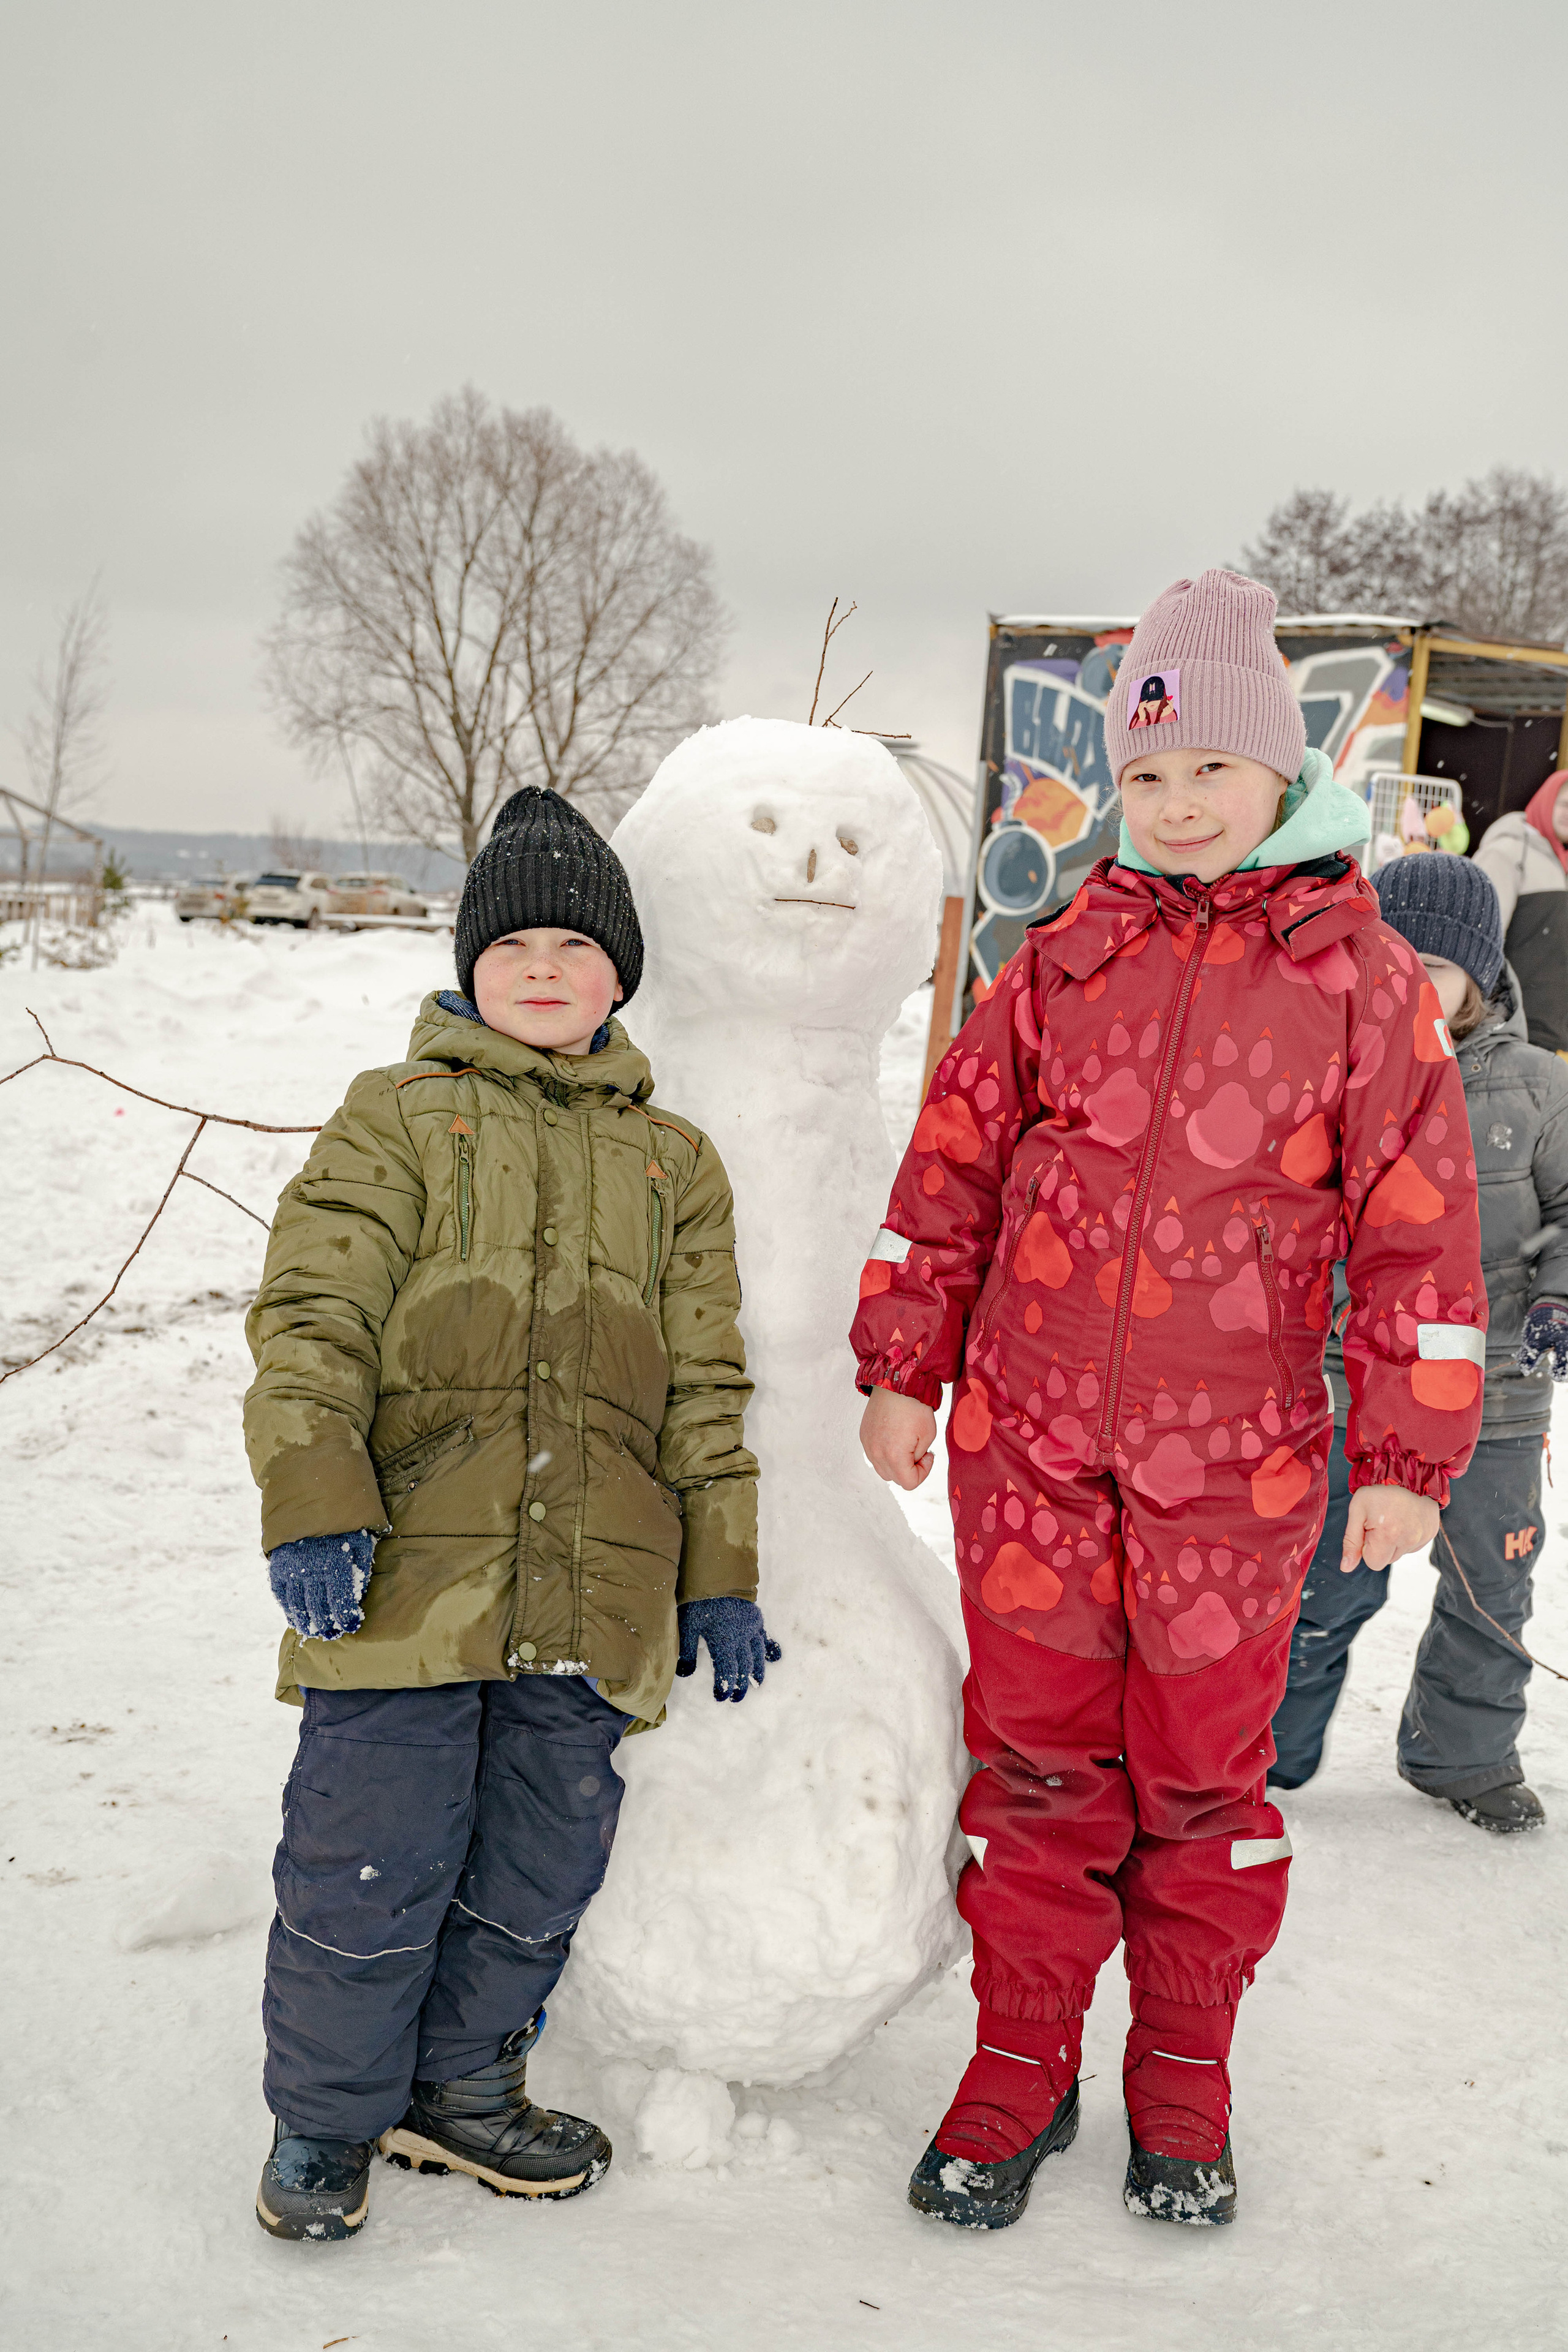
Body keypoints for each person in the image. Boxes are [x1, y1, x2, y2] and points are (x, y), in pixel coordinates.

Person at [851, 570, 1485, 2233]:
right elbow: (953, 1168)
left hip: (1238, 1482)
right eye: (1147, 777)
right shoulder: (1062, 959)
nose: (1178, 802)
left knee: (1205, 1791)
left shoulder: (1360, 984)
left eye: (1209, 767)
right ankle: (1021, 2065)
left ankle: (1184, 2080)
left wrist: (1411, 1448)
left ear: (1283, 773)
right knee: (1039, 1771)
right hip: (1033, 1452)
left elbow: (1420, 1228)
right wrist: (906, 1357)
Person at [244, 786, 777, 2244]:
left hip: (599, 1588)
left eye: (574, 942)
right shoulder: (398, 1115)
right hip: (404, 1579)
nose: (541, 966)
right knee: (369, 1853)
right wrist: (312, 1500)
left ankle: (462, 2086)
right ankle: (325, 2121)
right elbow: (312, 1318)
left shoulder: (674, 1165)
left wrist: (718, 1569)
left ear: (620, 973)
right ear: (470, 964)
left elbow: (707, 1380)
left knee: (540, 1859)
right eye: (513, 941)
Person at [1270, 855, 1568, 1828]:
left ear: (1481, 979)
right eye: (1393, 959)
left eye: (1438, 967)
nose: (1413, 983)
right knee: (1327, 1574)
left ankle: (1464, 1757)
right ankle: (1267, 1748)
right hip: (1366, 1386)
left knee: (1493, 1584)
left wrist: (1557, 1302)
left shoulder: (1537, 1087)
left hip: (1501, 1394)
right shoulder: (1339, 1073)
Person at [1472, 769, 1568, 1057]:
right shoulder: (1507, 853)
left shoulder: (1563, 864)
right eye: (1565, 804)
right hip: (1514, 1026)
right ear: (1547, 800)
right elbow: (1481, 939)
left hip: (1554, 1030)